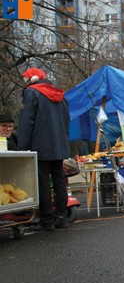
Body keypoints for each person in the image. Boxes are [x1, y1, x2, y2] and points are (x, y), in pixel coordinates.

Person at [18, 67, 71, 231]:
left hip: (40, 144)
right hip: (59, 144)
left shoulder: (32, 93)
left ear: (30, 79)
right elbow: (67, 120)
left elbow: (27, 122)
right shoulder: (60, 95)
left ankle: (47, 220)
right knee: (59, 180)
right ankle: (61, 216)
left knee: (43, 182)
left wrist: (23, 147)